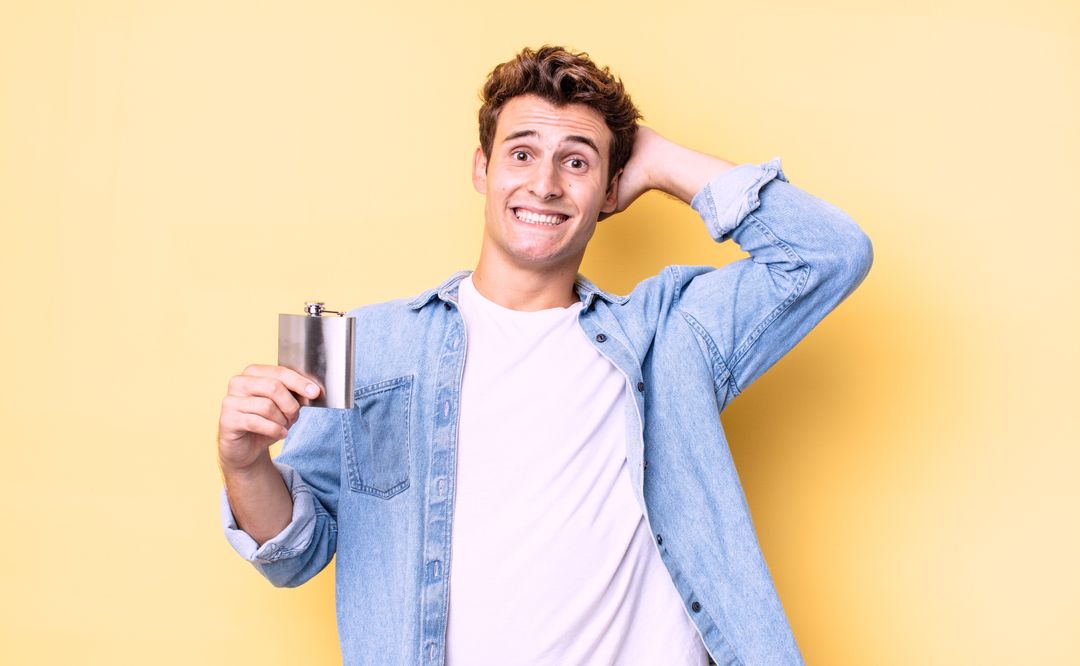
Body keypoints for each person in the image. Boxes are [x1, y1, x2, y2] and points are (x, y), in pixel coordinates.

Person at [217, 45, 873, 666]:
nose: (546, 183)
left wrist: (662, 159)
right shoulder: (361, 341)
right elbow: (294, 553)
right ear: (482, 168)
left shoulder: (667, 335)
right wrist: (245, 464)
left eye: (578, 161)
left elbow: (830, 254)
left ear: (612, 190)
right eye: (522, 153)